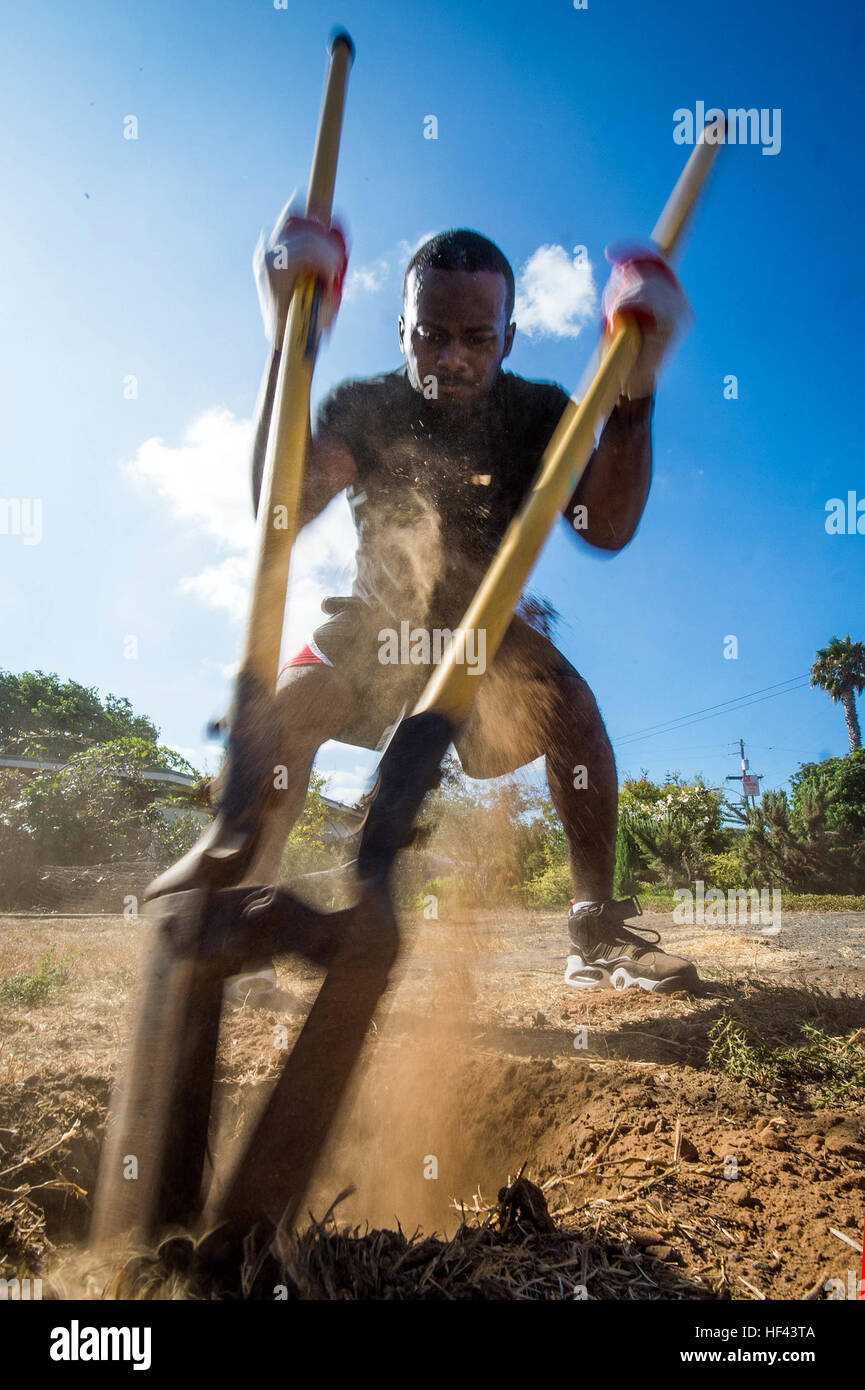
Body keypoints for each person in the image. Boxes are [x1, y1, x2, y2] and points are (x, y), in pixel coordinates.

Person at [227, 199, 700, 1004]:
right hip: (376, 625)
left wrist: (633, 393)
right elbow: (281, 509)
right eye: (429, 336)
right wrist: (286, 341)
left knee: (574, 713)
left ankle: (594, 934)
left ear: (508, 338)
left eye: (476, 339)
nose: (450, 359)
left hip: (484, 633)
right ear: (402, 330)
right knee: (280, 717)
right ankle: (244, 927)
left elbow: (607, 524)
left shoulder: (541, 412)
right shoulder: (365, 407)